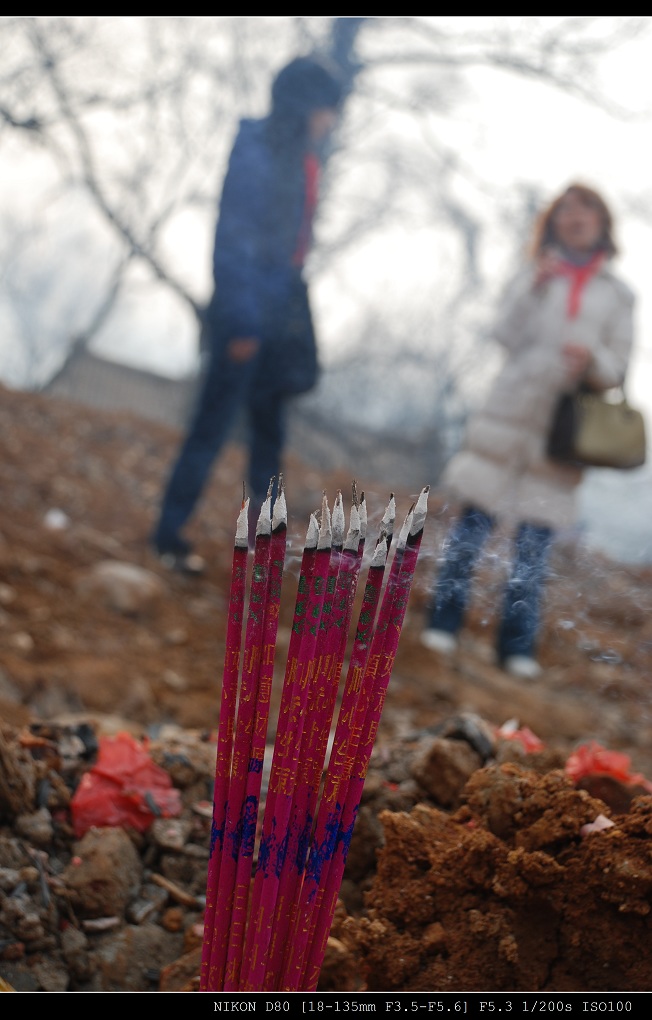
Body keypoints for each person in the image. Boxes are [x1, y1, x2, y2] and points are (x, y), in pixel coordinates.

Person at [421, 183, 635, 679]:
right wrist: (535, 284)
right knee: (472, 525)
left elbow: (619, 367)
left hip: (563, 427)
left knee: (534, 545)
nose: (574, 217)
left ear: (602, 222)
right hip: (509, 412)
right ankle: (443, 623)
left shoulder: (619, 295)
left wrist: (593, 360)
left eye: (585, 209)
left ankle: (516, 646)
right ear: (552, 222)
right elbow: (504, 333)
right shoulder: (534, 272)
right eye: (564, 210)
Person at [152, 55, 342, 570]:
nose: (330, 121)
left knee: (268, 434)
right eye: (326, 108)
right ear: (305, 105)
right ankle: (168, 535)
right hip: (246, 319)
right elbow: (233, 240)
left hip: (278, 323)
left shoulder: (304, 158)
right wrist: (241, 322)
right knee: (212, 427)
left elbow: (289, 251)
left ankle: (266, 545)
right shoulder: (258, 149)